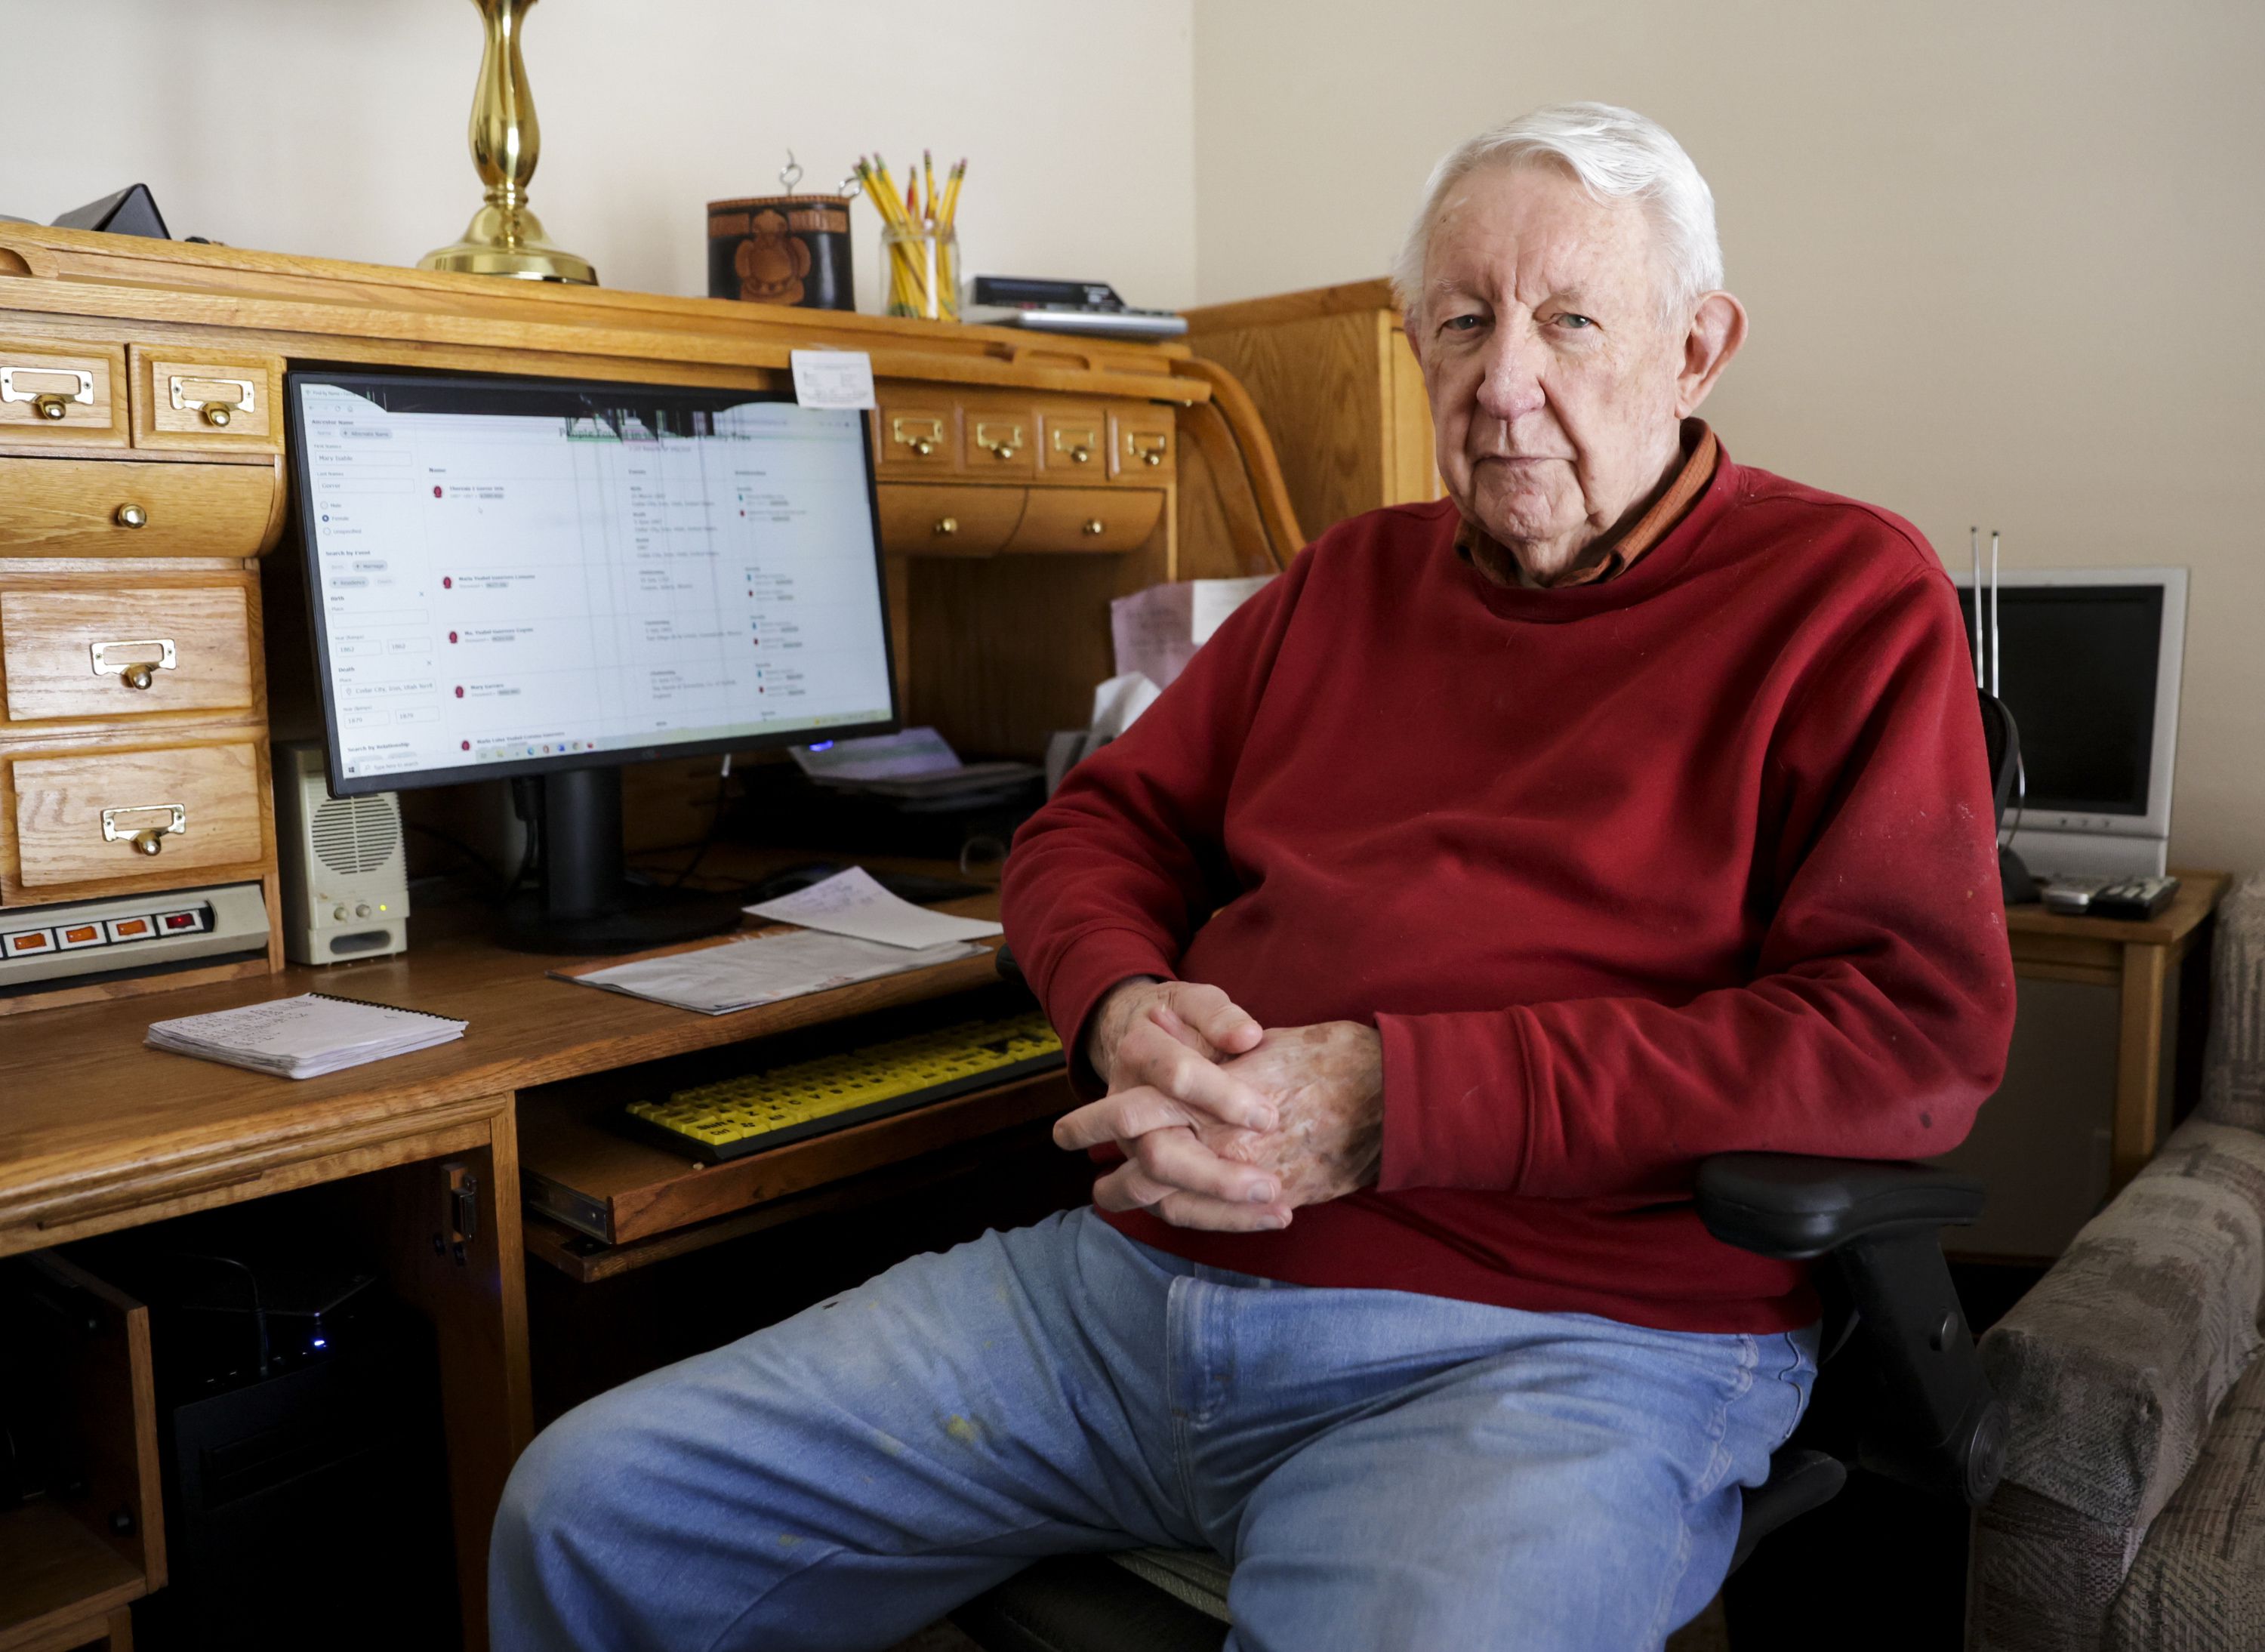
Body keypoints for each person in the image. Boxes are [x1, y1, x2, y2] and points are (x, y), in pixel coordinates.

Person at [489, 102, 2014, 1651]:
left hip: (1557, 1342)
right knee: (593, 1508)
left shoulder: (1845, 597)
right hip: (1131, 1291)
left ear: (1697, 348)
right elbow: (1094, 828)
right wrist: (1118, 997)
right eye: (1464, 323)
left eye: (1569, 322)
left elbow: (1906, 1040)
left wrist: (1394, 1098)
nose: (1507, 384)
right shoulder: (1347, 580)